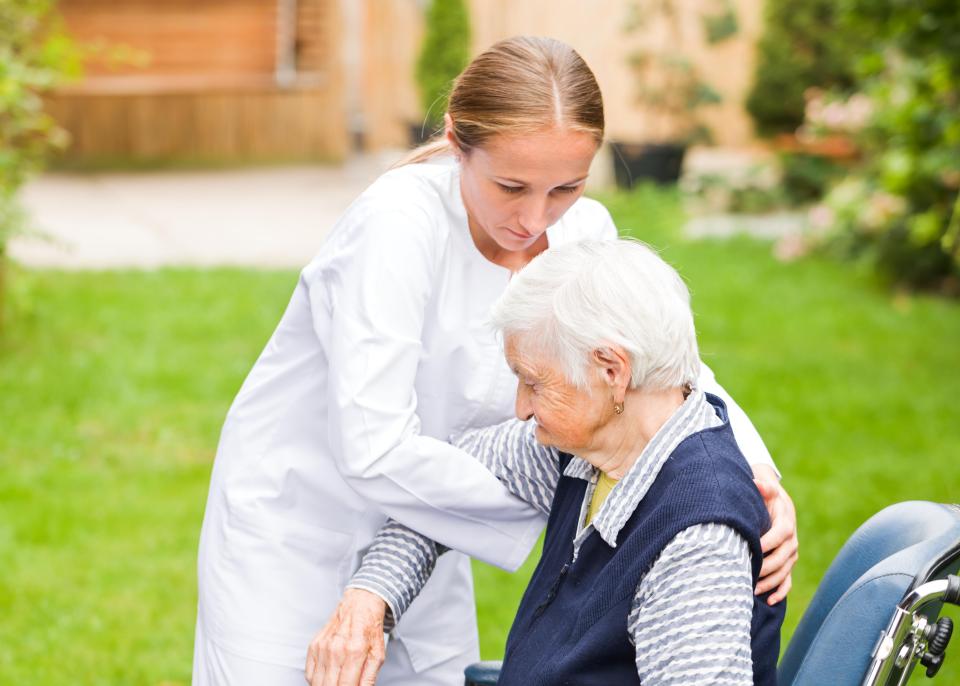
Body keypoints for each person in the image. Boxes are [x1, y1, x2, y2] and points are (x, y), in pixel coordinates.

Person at [192, 36, 797, 686]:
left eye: (565, 186)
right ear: (457, 142)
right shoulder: (396, 226)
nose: (535, 218)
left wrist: (754, 480)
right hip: (297, 528)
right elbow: (372, 450)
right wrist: (577, 492)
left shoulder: (583, 233)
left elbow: (669, 374)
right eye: (511, 185)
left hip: (430, 516)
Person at [308, 239, 786, 685]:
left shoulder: (694, 542)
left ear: (612, 371)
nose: (521, 408)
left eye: (534, 382)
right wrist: (370, 598)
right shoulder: (585, 451)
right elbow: (434, 492)